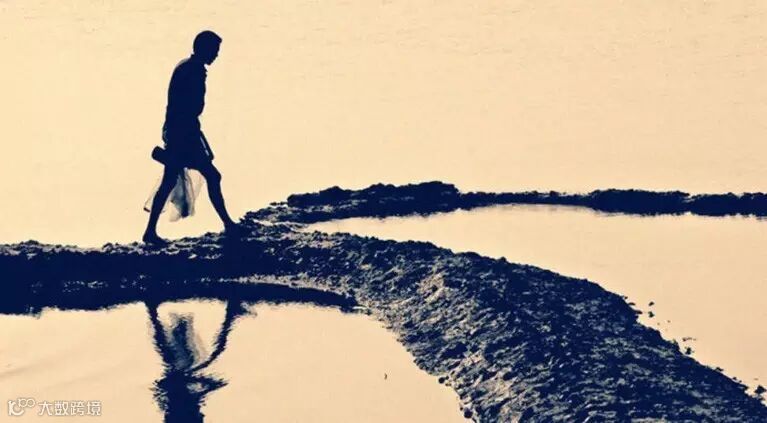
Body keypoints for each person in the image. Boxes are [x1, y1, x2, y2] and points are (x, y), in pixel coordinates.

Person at [143, 30, 239, 245]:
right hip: (184, 134)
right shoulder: (193, 71)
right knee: (212, 176)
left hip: (179, 131)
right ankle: (228, 223)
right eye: (214, 50)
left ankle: (150, 231)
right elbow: (192, 107)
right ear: (204, 49)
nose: (216, 55)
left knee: (170, 180)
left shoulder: (186, 66)